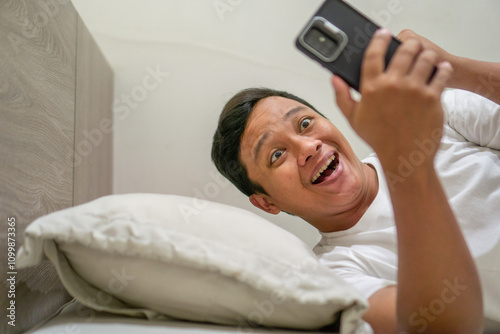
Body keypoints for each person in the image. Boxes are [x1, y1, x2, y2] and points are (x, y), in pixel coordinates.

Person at [211, 28, 500, 333]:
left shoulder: (436, 115)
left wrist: (456, 70)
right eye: (277, 155)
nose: (308, 148)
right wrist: (406, 160)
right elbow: (443, 329)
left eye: (305, 123)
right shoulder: (333, 275)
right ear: (267, 203)